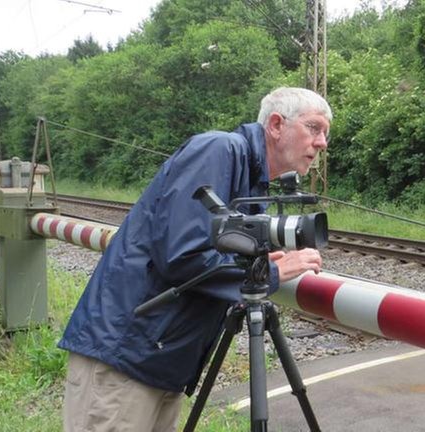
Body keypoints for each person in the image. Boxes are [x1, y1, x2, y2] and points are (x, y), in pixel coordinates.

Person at [60, 87, 331, 431]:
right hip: (126, 353)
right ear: (276, 124)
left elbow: (209, 249)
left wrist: (256, 262)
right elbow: (182, 254)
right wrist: (270, 274)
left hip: (161, 357)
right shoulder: (220, 149)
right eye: (314, 128)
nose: (321, 142)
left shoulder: (252, 182)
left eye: (325, 133)